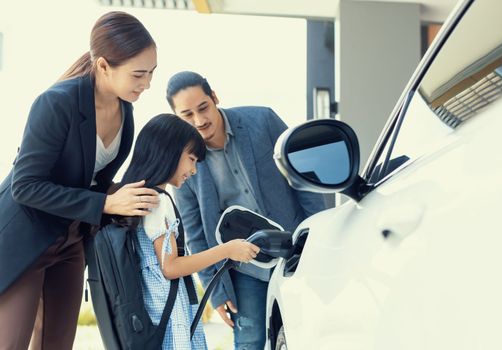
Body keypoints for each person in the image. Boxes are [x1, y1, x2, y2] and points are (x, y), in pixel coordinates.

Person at [0, 11, 159, 350]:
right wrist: (105, 202)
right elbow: (25, 186)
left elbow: (92, 180)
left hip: (71, 240)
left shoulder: (125, 112)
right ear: (104, 66)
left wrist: (130, 195)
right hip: (25, 238)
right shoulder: (55, 103)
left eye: (151, 73)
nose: (147, 83)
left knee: (56, 345)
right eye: (139, 74)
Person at [165, 71, 327, 349]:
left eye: (203, 108)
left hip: (296, 249)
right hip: (244, 268)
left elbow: (303, 179)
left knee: (312, 330)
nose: (199, 121)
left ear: (214, 97)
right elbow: (194, 232)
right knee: (250, 340)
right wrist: (215, 290)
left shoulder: (262, 121)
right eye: (187, 115)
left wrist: (316, 234)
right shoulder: (182, 161)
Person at [118, 113, 260, 349]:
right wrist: (227, 249)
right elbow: (171, 267)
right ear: (169, 151)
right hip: (168, 318)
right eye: (192, 159)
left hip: (151, 316)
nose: (194, 170)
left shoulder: (133, 198)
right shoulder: (159, 201)